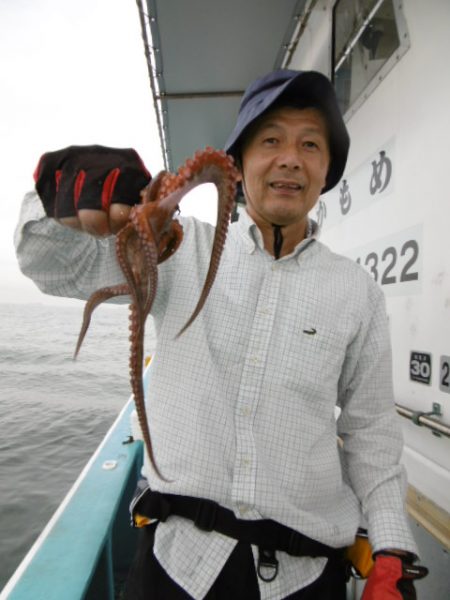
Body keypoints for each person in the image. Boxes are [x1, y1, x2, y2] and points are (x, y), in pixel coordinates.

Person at [15, 69, 427, 599]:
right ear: (237, 164)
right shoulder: (177, 247)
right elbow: (55, 267)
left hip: (306, 576)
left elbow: (371, 431)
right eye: (271, 140)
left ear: (326, 170)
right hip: (177, 565)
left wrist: (391, 549)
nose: (289, 159)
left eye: (310, 144)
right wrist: (56, 197)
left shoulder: (358, 292)